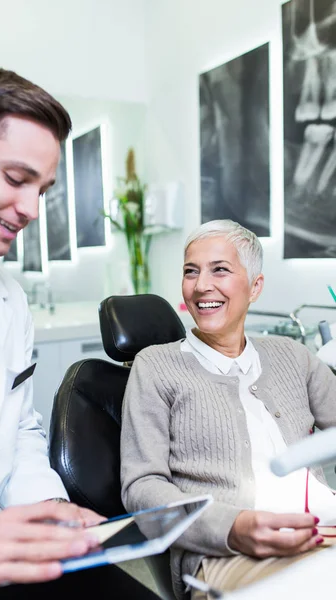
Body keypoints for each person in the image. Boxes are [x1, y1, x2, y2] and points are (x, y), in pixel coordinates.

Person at [0, 68, 159, 600]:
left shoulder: (7, 299)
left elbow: (17, 432)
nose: (32, 210)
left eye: (43, 189)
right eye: (16, 179)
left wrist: (50, 508)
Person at [120, 219, 336, 600]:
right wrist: (233, 526)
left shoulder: (292, 356)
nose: (202, 285)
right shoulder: (155, 366)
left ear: (255, 287)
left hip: (322, 531)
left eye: (219, 269)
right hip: (227, 553)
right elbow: (142, 487)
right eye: (191, 271)